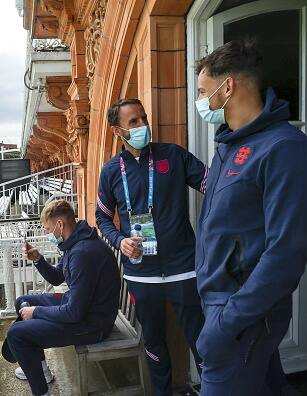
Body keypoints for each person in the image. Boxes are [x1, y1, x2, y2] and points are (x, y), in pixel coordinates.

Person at [193, 39, 307, 395]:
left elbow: (286, 253)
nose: (201, 102)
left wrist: (224, 324)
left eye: (204, 92)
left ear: (228, 86)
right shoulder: (228, 146)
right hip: (223, 305)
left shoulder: (285, 149)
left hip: (242, 315)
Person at [96, 98, 206, 395]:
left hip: (184, 268)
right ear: (118, 131)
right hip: (141, 275)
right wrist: (120, 241)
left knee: (202, 343)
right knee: (155, 344)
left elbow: (215, 185)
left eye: (144, 118)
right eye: (134, 122)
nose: (143, 125)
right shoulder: (110, 172)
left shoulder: (174, 155)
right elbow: (102, 219)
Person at [5, 200, 120, 396]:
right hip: (82, 308)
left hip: (93, 325)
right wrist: (38, 260)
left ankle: (42, 392)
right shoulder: (74, 242)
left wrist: (36, 312)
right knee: (22, 301)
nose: (48, 233)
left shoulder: (82, 253)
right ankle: (40, 370)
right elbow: (58, 278)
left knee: (17, 334)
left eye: (48, 228)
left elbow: (74, 313)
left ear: (60, 225)